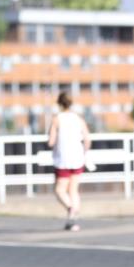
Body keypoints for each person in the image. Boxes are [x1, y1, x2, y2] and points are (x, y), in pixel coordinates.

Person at [47, 92, 91, 231]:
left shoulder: (57, 119)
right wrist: (84, 153)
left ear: (59, 103)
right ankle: (73, 221)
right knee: (73, 190)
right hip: (77, 157)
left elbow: (51, 142)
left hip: (63, 158)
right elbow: (87, 140)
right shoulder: (78, 119)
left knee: (60, 190)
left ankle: (71, 209)